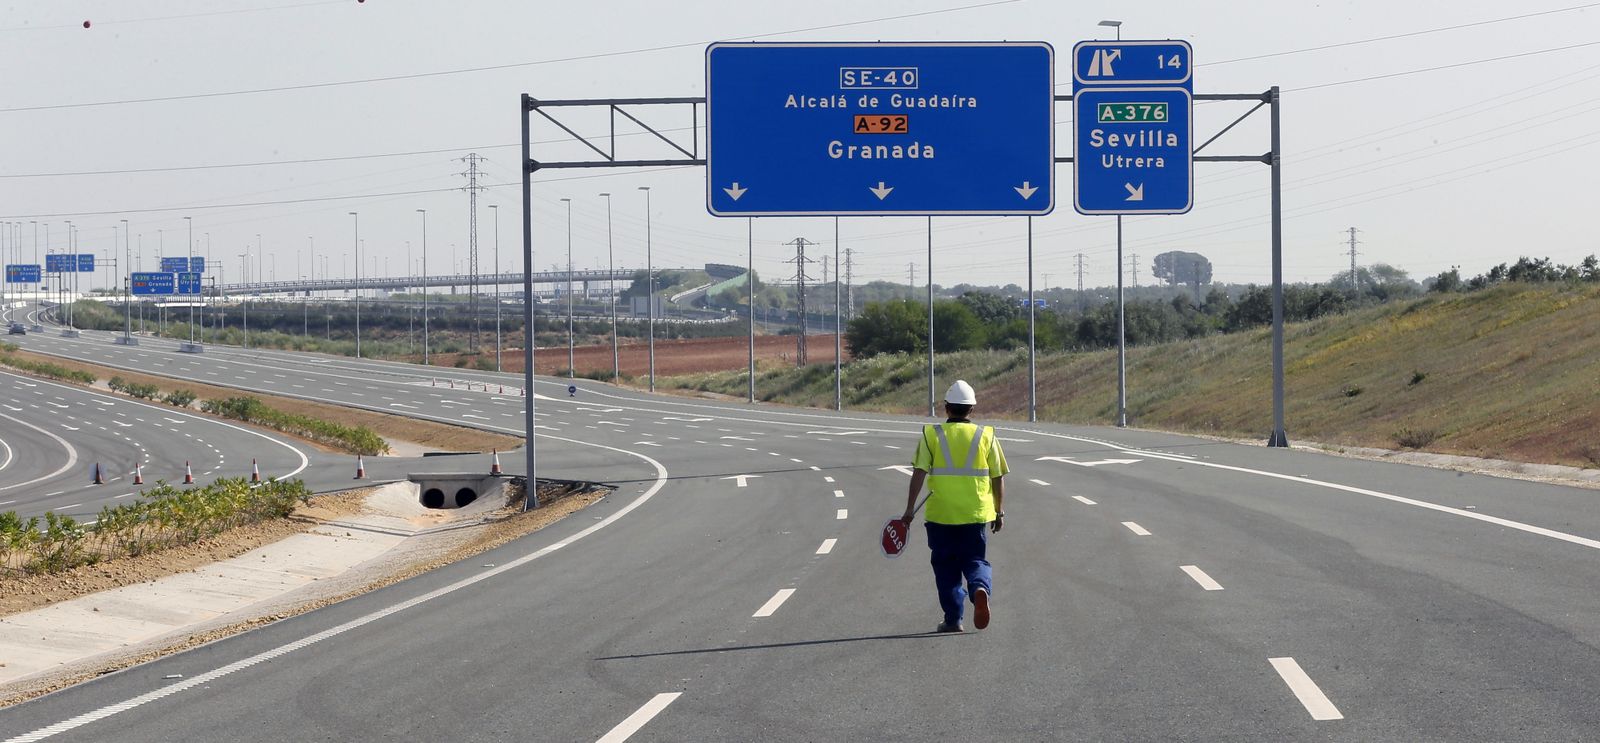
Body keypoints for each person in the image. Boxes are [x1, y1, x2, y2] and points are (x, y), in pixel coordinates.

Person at [902, 379, 1008, 633]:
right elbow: (998, 477)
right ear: (972, 409)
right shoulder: (986, 436)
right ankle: (979, 586)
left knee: (945, 567)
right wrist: (998, 511)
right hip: (975, 514)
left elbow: (918, 474)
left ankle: (953, 619)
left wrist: (909, 510)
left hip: (941, 516)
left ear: (946, 407)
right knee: (974, 559)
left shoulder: (932, 435)